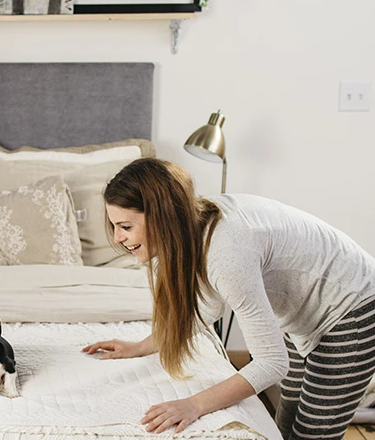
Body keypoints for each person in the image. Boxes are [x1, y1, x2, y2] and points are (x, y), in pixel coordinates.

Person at [81, 158, 375, 439]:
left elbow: (272, 363)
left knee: (312, 432)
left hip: (353, 308)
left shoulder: (226, 248)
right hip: (305, 311)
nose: (118, 238)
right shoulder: (195, 227)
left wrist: (194, 405)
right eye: (116, 226)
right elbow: (208, 306)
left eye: (126, 226)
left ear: (162, 217)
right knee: (287, 423)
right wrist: (142, 346)